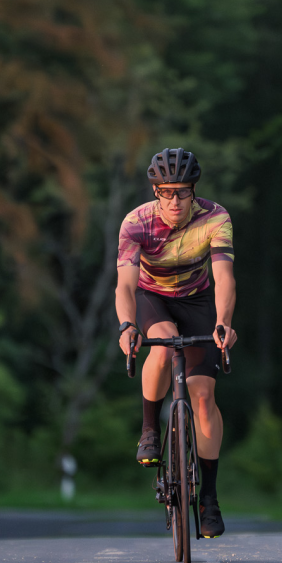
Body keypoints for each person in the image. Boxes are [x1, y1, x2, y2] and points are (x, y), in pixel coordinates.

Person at [115, 147, 236, 538]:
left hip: (198, 300)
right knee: (164, 345)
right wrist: (127, 325)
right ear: (155, 191)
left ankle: (209, 498)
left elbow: (225, 278)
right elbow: (125, 285)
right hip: (152, 297)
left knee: (203, 397)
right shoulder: (136, 222)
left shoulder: (215, 217)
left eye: (182, 192)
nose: (174, 201)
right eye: (166, 192)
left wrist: (223, 322)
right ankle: (150, 429)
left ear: (193, 190)